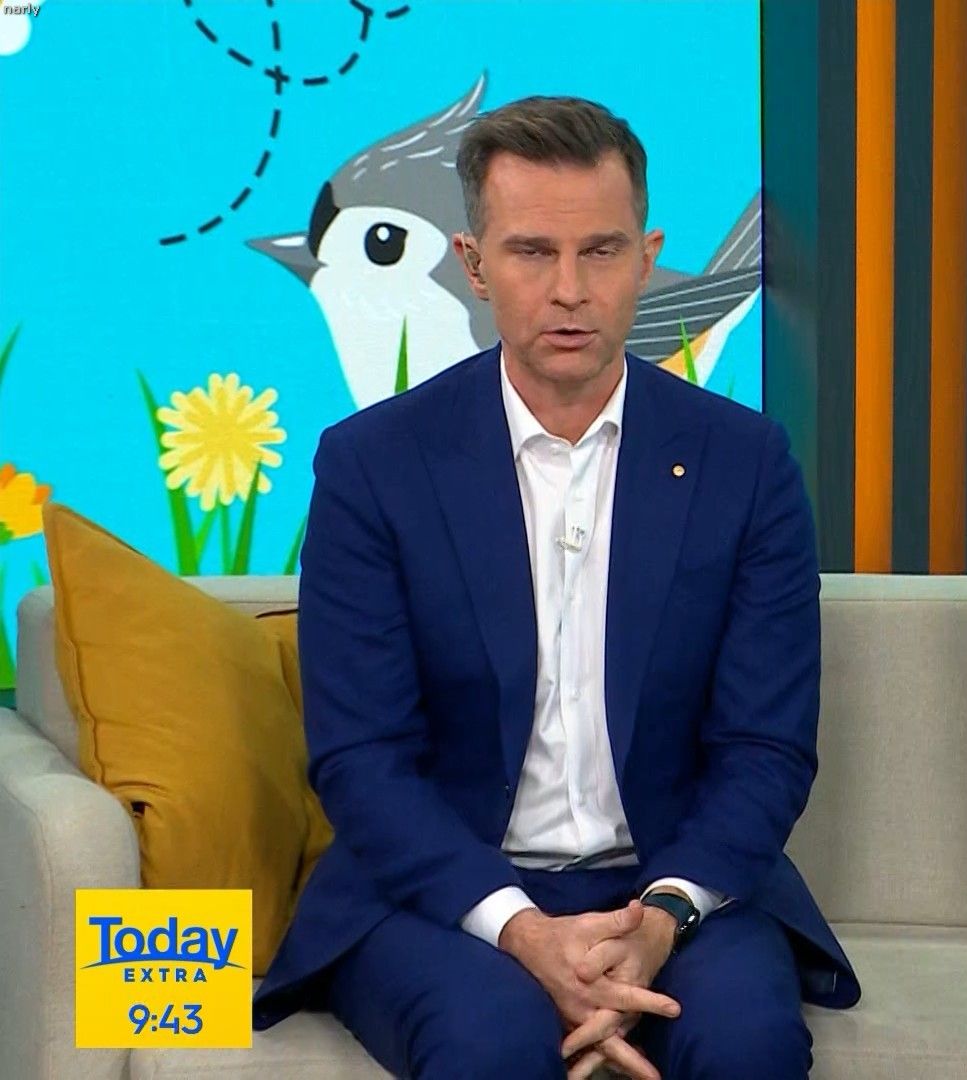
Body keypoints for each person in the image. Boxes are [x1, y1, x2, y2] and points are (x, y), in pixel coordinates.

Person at [252, 95, 858, 1079]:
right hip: (447, 895)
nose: (569, 290)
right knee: (488, 1047)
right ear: (474, 264)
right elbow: (363, 760)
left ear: (647, 258)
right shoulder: (375, 465)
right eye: (533, 253)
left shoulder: (744, 463)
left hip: (673, 889)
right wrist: (524, 931)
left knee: (746, 1046)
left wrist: (659, 920)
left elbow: (767, 747)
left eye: (601, 252)